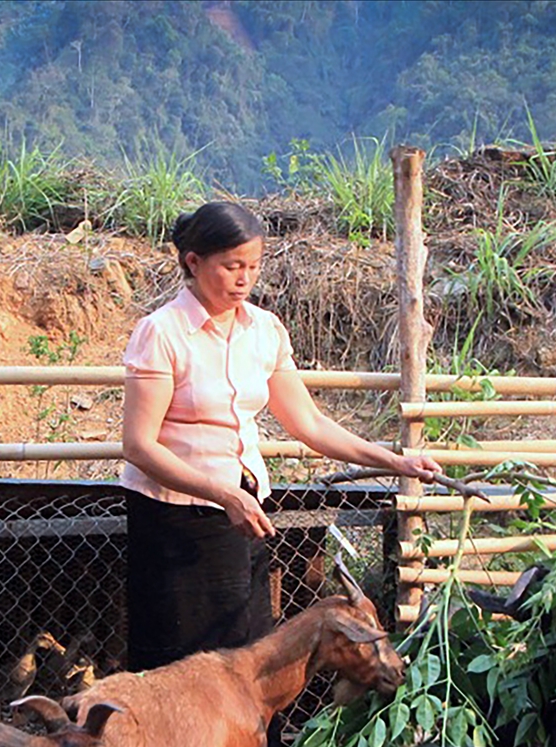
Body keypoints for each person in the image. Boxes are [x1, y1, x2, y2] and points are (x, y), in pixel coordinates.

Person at [120, 200, 440, 673]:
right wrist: (220, 493)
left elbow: (308, 424)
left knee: (249, 653)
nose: (244, 278)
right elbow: (139, 445)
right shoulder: (162, 333)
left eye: (252, 266)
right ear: (193, 262)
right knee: (184, 661)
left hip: (244, 509)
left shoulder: (264, 330)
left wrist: (395, 461)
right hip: (175, 516)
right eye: (231, 266)